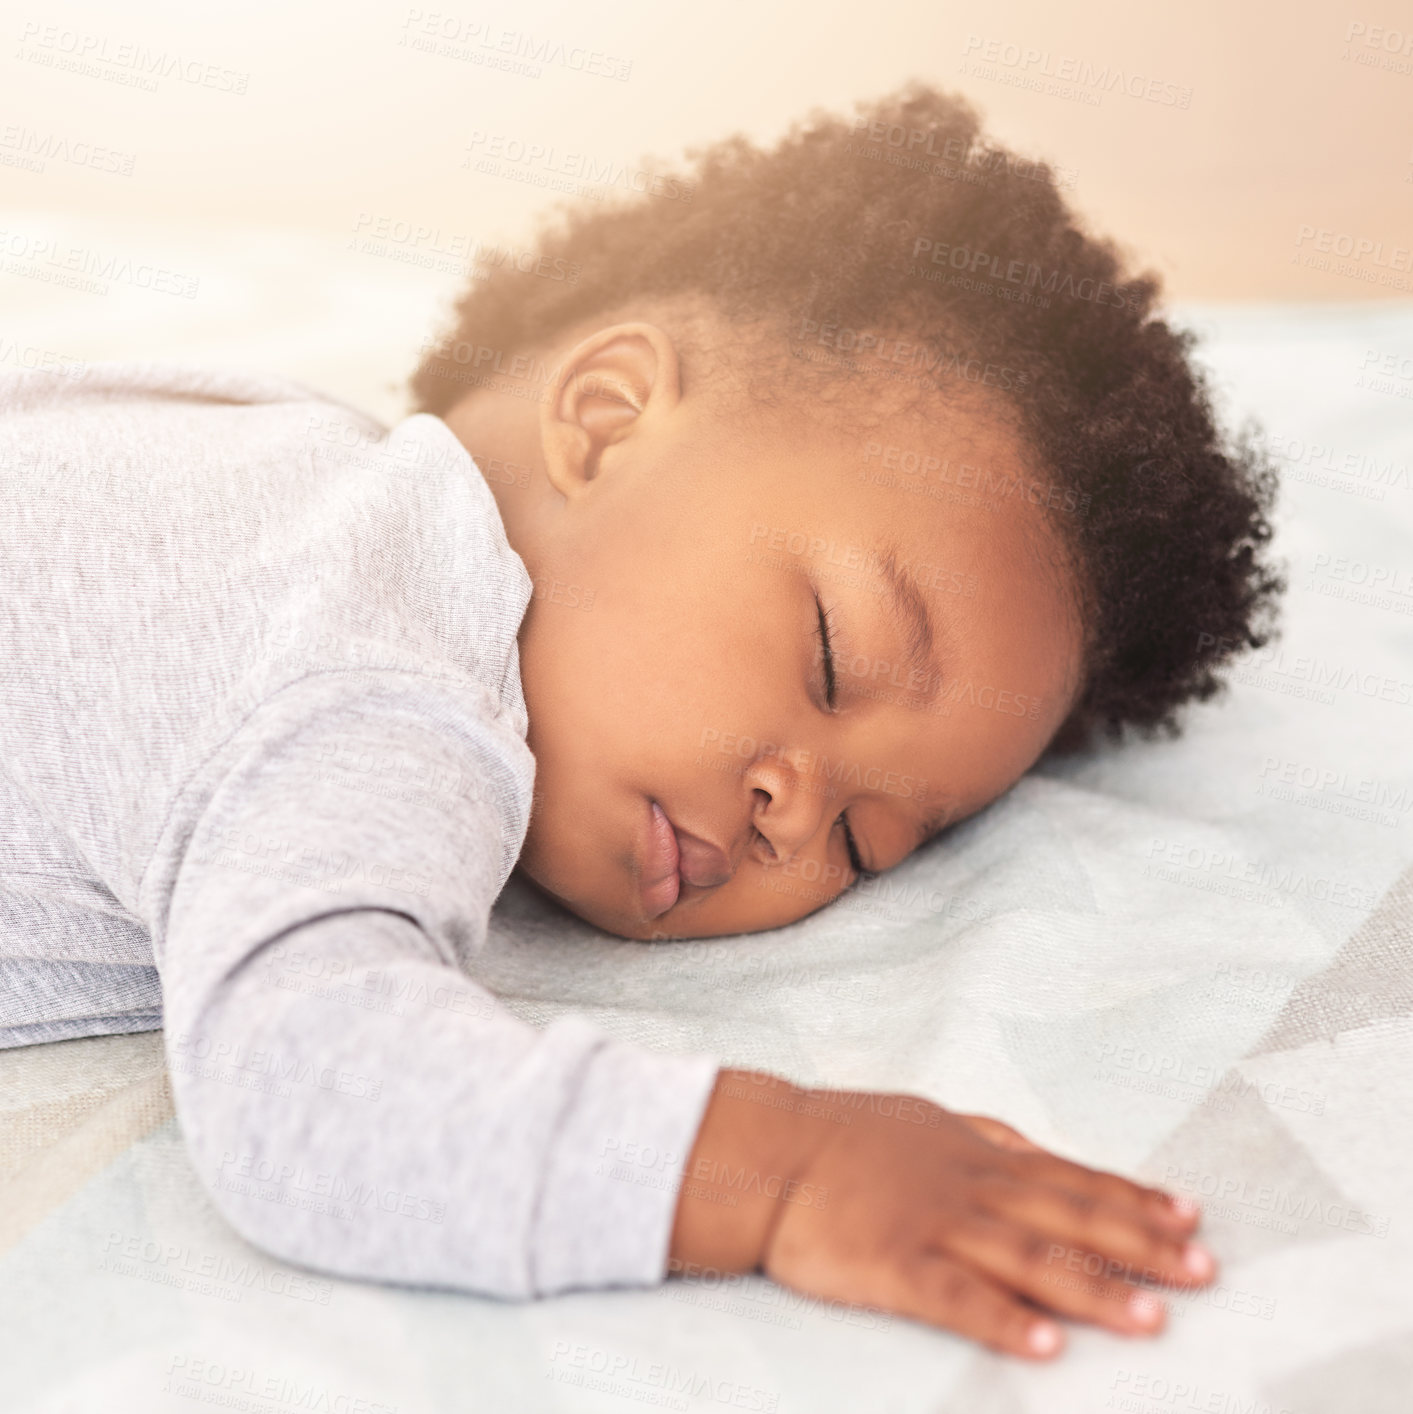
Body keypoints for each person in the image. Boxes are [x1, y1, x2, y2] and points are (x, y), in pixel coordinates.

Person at [0, 84, 1282, 1359]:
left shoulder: (263, 451)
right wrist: (786, 1169)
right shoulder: (386, 674)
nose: (795, 812)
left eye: (866, 842)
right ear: (607, 417)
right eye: (833, 657)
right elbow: (311, 1091)